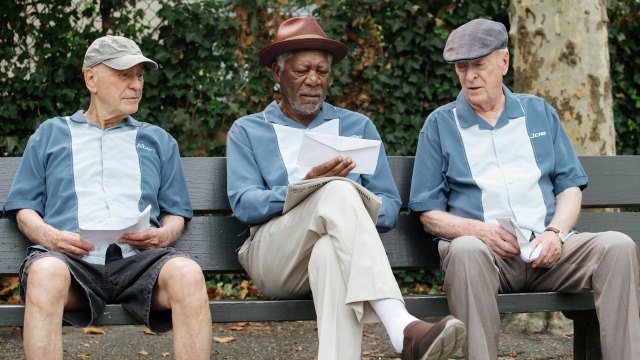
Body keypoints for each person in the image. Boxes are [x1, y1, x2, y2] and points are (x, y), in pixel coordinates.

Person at [226, 16, 466, 360]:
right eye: (301, 70)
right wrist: (309, 187)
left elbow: (387, 209)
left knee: (328, 251)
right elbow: (245, 204)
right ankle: (401, 327)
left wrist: (352, 198)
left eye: (322, 71)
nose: (313, 80)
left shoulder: (358, 126)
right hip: (275, 258)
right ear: (277, 75)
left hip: (337, 250)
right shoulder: (249, 130)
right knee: (336, 190)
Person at [409, 18, 640, 359]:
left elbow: (570, 186)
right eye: (461, 67)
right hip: (488, 258)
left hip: (548, 252)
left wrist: (556, 233)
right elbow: (428, 214)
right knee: (465, 250)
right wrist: (480, 232)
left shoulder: (538, 112)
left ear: (503, 62)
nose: (470, 76)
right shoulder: (440, 125)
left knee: (617, 246)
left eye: (479, 65)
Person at [3, 35, 212, 360]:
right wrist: (52, 238)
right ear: (91, 78)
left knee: (187, 274)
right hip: (70, 263)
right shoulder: (51, 134)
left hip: (140, 264)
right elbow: (23, 209)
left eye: (140, 76)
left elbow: (176, 214)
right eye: (123, 74)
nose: (135, 85)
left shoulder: (158, 141)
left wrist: (161, 235)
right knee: (44, 274)